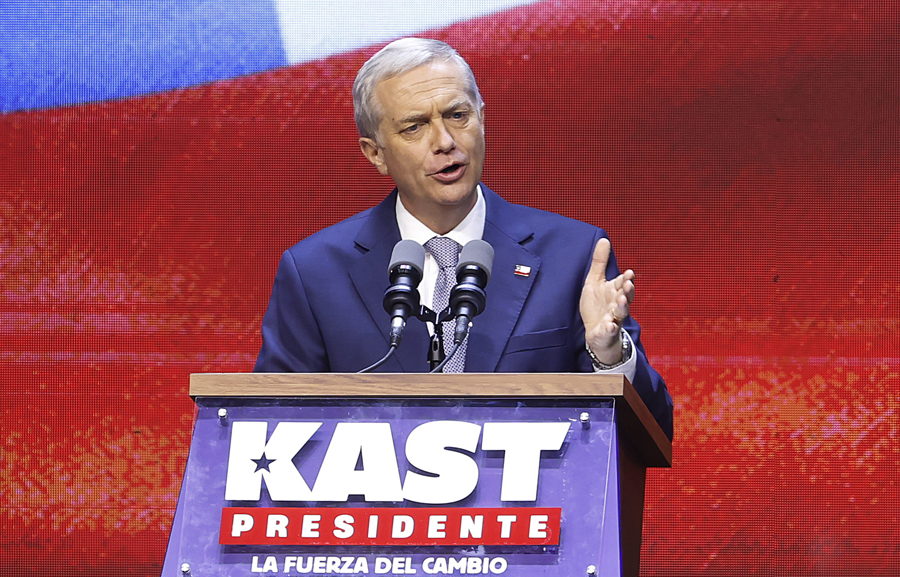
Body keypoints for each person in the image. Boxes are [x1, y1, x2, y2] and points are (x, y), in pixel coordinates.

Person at [254, 38, 673, 440]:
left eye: (457, 115)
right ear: (375, 153)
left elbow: (652, 430)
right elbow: (266, 427)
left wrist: (609, 355)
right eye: (415, 127)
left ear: (482, 118)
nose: (446, 142)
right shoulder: (313, 273)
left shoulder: (573, 255)